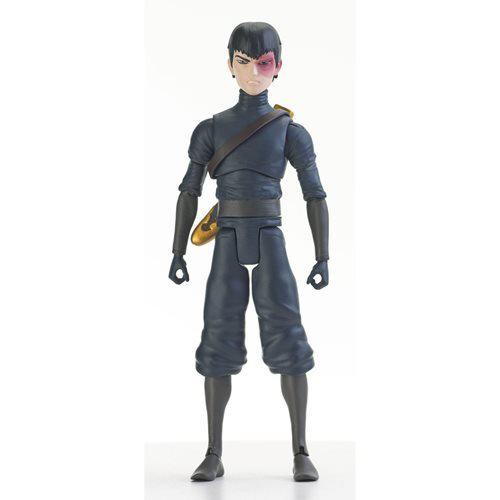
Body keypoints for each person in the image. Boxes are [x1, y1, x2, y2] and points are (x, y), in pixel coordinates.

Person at [169, 21, 329, 482]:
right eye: (245, 62)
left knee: (288, 338)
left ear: (278, 67)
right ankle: (213, 451)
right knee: (217, 339)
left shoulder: (289, 132)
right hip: (227, 237)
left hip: (270, 236)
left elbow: (315, 194)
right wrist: (178, 250)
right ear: (230, 65)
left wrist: (323, 255)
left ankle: (301, 450)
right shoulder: (211, 129)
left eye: (264, 62)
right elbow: (189, 192)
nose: (255, 72)